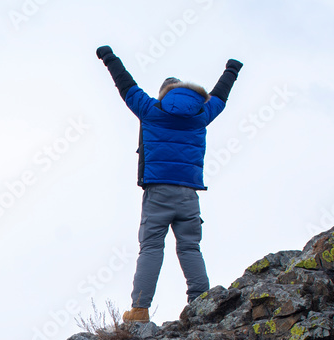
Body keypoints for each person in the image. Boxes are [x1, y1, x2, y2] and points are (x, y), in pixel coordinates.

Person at [96, 46, 242, 323]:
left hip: (158, 191)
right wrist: (232, 70)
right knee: (189, 248)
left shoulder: (151, 110)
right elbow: (221, 95)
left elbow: (125, 83)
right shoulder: (201, 115)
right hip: (189, 194)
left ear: (163, 95)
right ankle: (202, 302)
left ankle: (139, 310)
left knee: (151, 248)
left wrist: (109, 57)